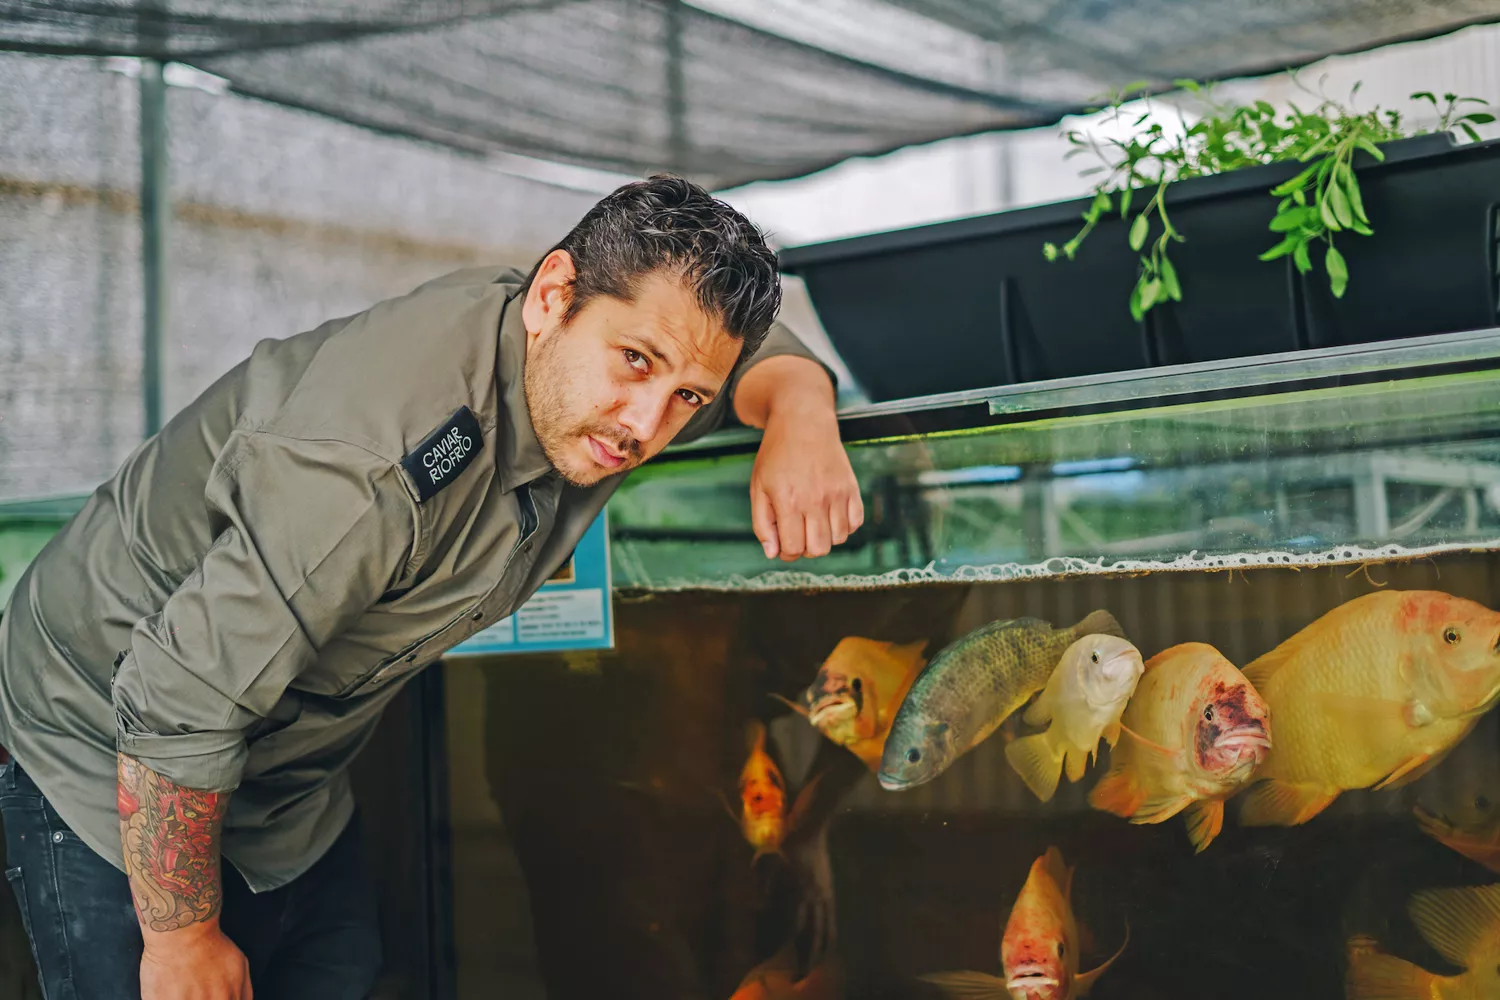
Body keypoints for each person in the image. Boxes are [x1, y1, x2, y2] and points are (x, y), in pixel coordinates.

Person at [0, 175, 861, 1000]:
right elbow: (174, 700)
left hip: (286, 778)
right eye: (635, 363)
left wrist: (802, 412)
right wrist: (182, 940)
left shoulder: (597, 362)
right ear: (552, 294)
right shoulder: (371, 472)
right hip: (109, 741)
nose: (645, 426)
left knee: (343, 967)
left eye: (686, 398)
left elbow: (750, 353)